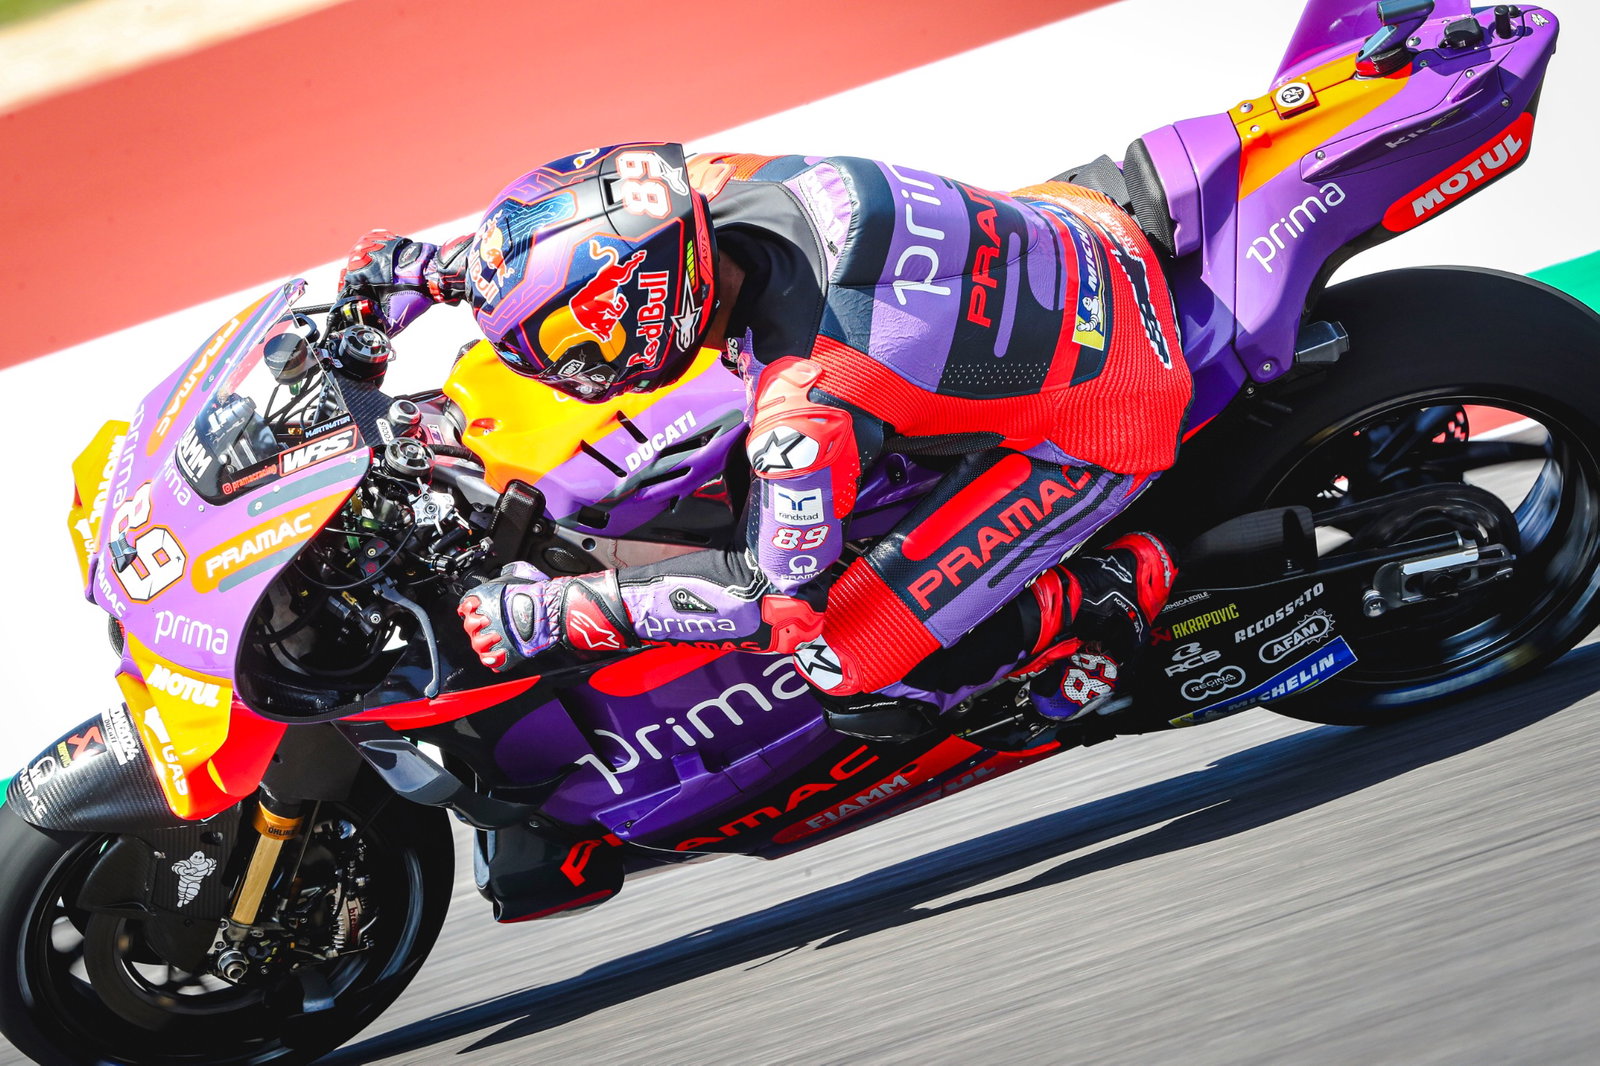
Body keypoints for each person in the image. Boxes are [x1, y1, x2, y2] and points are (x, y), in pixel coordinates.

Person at [337, 142, 1189, 731]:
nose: (560, 368)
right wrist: (436, 272)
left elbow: (768, 598)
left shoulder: (802, 403)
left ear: (645, 311)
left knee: (842, 659)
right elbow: (583, 226)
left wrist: (559, 610)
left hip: (1111, 406)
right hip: (1073, 230)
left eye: (570, 348)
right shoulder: (712, 187)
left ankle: (1105, 593)